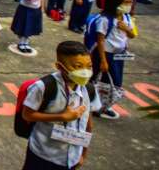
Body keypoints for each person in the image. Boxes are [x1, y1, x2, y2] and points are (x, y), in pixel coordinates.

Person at [21, 41, 100, 170]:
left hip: (72, 157)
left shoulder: (89, 89)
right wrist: (62, 117)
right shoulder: (44, 87)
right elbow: (27, 114)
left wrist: (83, 153)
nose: (85, 72)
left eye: (89, 66)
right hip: (43, 154)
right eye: (78, 66)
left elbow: (88, 123)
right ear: (59, 66)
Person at [91, 0, 137, 120]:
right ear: (115, 3)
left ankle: (105, 105)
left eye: (130, 2)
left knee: (115, 82)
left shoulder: (126, 17)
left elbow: (132, 35)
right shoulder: (104, 20)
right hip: (106, 54)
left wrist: (126, 29)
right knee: (103, 81)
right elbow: (100, 40)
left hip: (119, 54)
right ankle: (98, 105)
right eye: (126, 2)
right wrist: (103, 61)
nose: (129, 5)